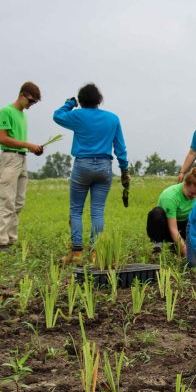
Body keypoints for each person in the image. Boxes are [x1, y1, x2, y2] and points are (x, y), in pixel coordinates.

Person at [52, 83, 129, 264]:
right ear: (98, 99)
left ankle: (77, 253)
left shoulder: (78, 115)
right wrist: (124, 170)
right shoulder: (112, 118)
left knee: (76, 210)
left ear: (82, 100)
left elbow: (57, 116)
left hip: (82, 166)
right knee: (98, 211)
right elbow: (120, 147)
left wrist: (69, 103)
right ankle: (95, 254)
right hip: (104, 166)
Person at [0, 82, 44, 251]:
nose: (31, 105)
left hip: (22, 158)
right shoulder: (6, 112)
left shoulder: (23, 115)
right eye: (31, 101)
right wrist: (27, 144)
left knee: (18, 202)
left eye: (35, 103)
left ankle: (11, 239)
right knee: (7, 200)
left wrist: (33, 149)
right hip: (9, 158)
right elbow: (2, 138)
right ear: (22, 95)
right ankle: (1, 241)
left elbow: (21, 142)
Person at [146, 166, 196, 256]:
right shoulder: (170, 196)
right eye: (192, 193)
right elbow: (173, 229)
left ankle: (176, 246)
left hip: (185, 225)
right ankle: (157, 247)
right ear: (185, 184)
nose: (194, 196)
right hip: (167, 226)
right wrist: (186, 254)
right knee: (156, 213)